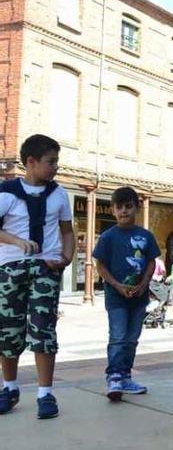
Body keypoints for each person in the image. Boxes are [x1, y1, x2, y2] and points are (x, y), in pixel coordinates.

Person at [0, 134, 74, 419]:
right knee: (8, 330)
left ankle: (45, 393)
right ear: (30, 162)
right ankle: (9, 387)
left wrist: (66, 258)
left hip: (46, 268)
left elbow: (67, 231)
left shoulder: (59, 194)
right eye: (50, 161)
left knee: (43, 329)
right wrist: (17, 242)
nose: (56, 166)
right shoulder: (6, 192)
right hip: (10, 268)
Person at [92, 187, 161, 402]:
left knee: (132, 338)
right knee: (118, 336)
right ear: (113, 210)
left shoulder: (146, 235)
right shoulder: (108, 237)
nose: (124, 211)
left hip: (139, 297)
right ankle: (114, 376)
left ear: (136, 208)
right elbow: (101, 266)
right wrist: (116, 285)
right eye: (119, 207)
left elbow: (151, 261)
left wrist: (144, 282)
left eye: (128, 206)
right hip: (116, 298)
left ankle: (126, 375)